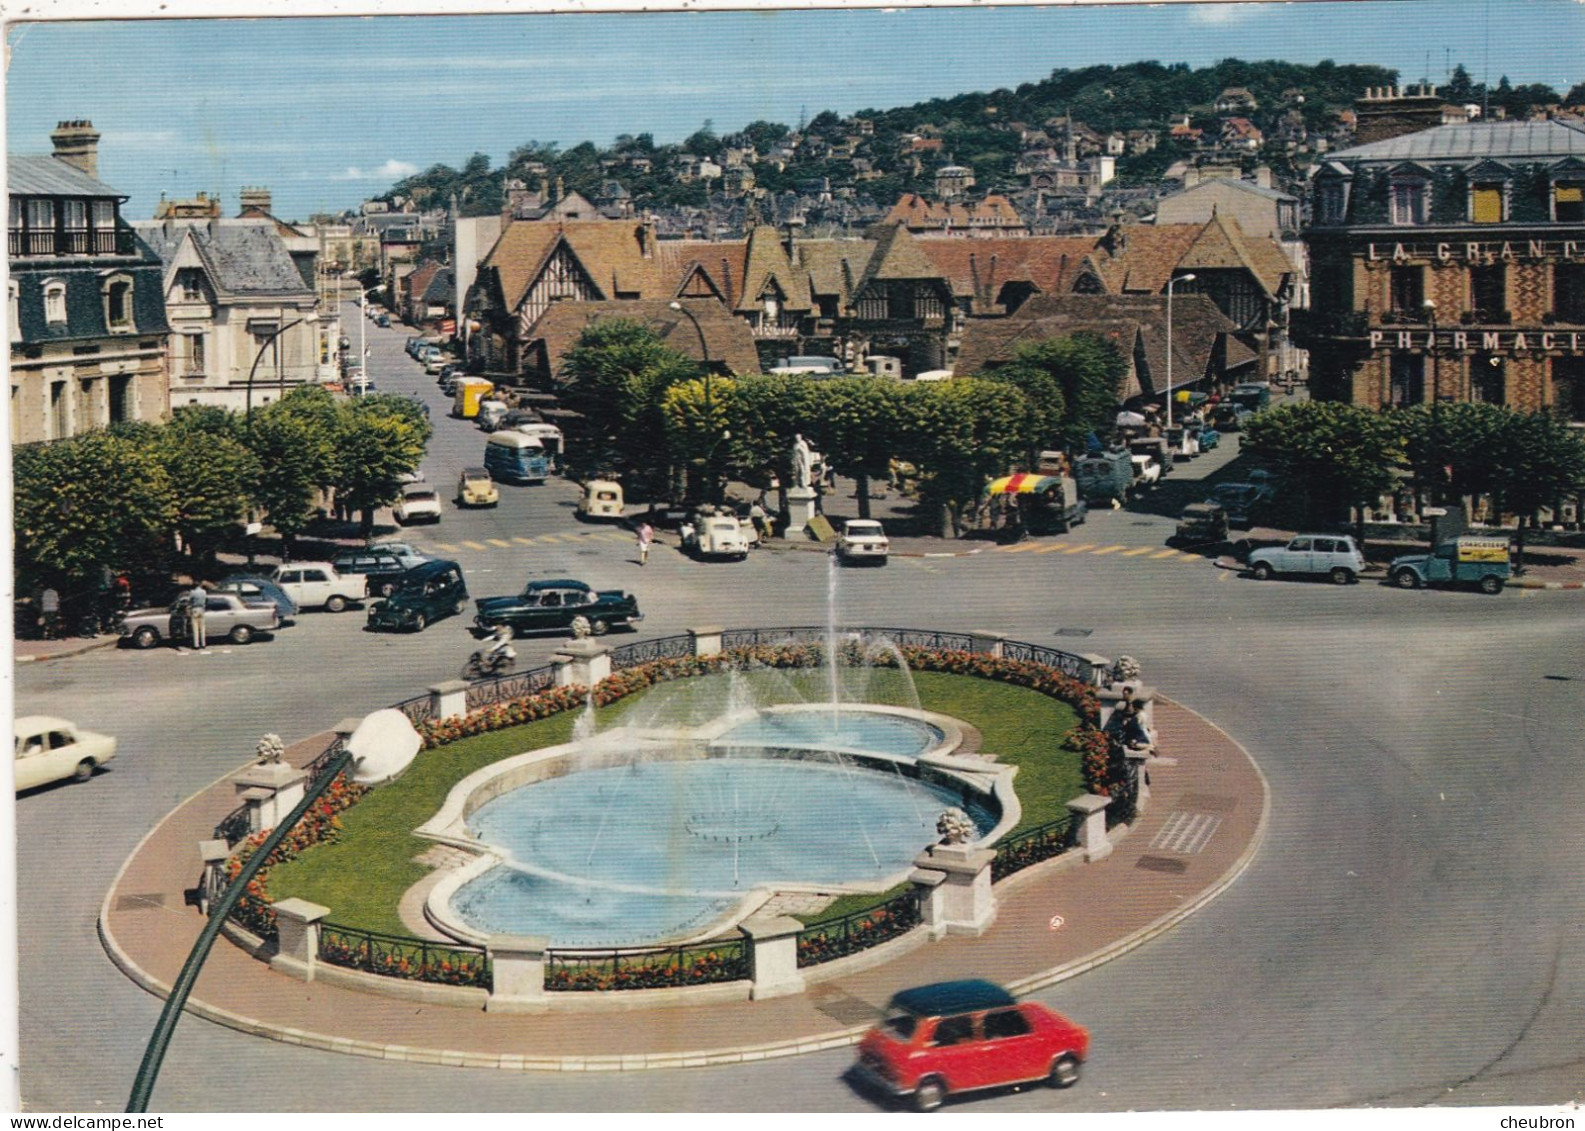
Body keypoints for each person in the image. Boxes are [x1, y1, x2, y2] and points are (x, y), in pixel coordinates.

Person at [187, 580, 209, 650]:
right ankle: (203, 644)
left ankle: (196, 644)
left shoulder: (192, 592)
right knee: (202, 628)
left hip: (195, 609)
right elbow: (206, 600)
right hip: (202, 609)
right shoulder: (204, 592)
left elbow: (190, 601)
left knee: (195, 628)